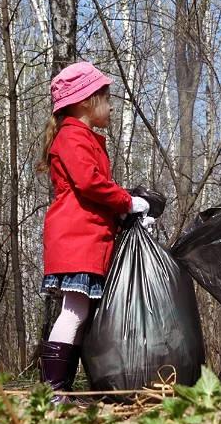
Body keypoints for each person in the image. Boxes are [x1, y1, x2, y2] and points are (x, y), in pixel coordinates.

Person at [38, 61, 150, 390]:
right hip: (77, 240)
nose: (111, 106)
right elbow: (89, 183)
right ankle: (53, 392)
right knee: (74, 313)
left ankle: (59, 390)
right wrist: (126, 201)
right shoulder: (72, 137)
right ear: (87, 101)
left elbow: (93, 188)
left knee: (79, 313)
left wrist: (124, 211)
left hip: (84, 238)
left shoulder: (81, 137)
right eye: (106, 97)